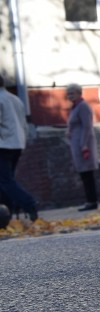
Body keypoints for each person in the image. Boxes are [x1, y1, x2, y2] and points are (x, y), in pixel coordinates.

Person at [0, 75, 38, 222]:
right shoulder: (15, 99)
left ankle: (29, 203)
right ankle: (6, 216)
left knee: (5, 181)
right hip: (17, 144)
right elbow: (23, 123)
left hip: (3, 144)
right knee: (6, 181)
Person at [65, 84, 100, 211]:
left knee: (87, 174)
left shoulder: (83, 106)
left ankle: (92, 201)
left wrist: (84, 144)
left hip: (83, 145)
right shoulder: (75, 107)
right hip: (77, 143)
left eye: (72, 93)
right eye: (68, 94)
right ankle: (90, 201)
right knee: (84, 174)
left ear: (79, 93)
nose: (69, 96)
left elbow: (87, 126)